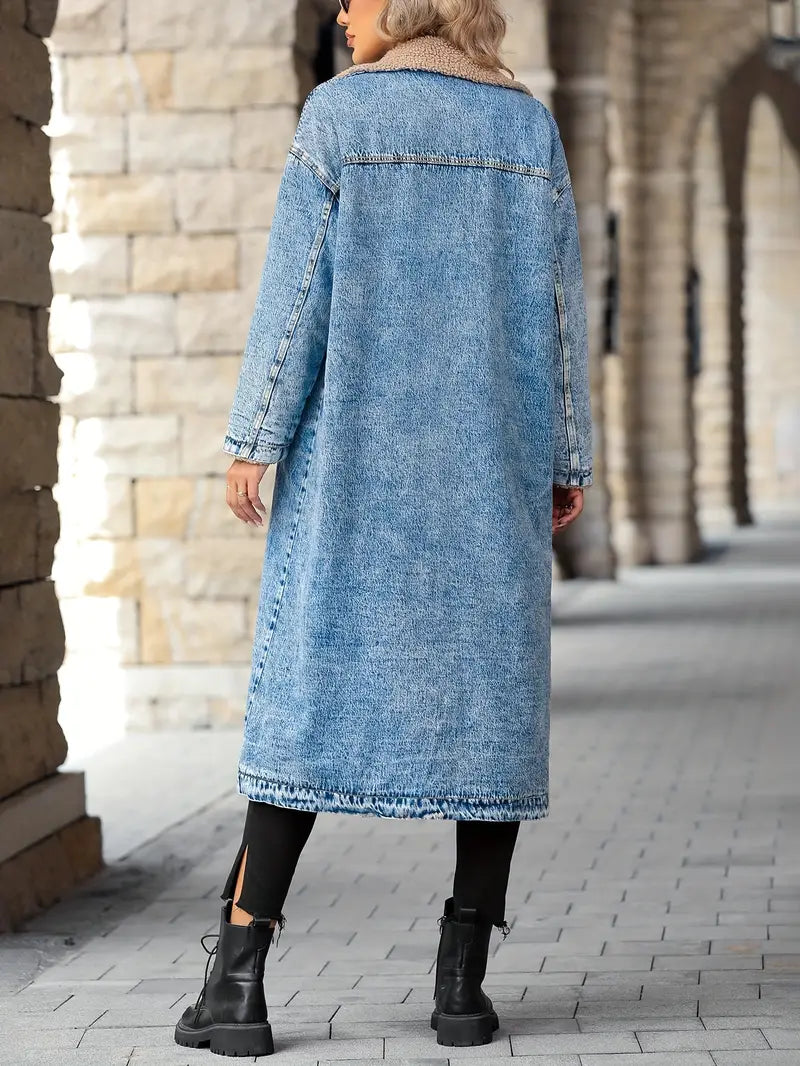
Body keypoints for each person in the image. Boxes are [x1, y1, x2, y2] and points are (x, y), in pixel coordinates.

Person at [174, 0, 592, 1057]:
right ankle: (461, 990)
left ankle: (237, 986)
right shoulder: (524, 126)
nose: (341, 11)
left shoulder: (340, 117)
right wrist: (564, 455)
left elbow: (296, 294)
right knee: (490, 704)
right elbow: (557, 307)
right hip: (489, 466)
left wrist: (254, 437)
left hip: (348, 466)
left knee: (302, 705)